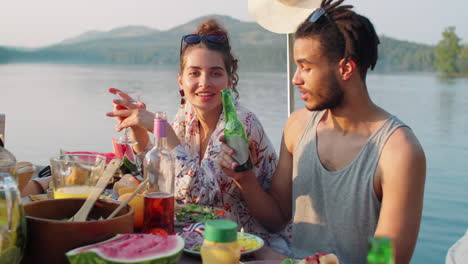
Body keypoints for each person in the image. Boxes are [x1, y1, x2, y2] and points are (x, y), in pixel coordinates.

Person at [219, 0, 426, 263]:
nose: (296, 78)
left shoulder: (399, 152)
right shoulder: (297, 126)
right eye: (296, 66)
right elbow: (276, 219)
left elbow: (386, 260)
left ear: (346, 68)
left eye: (306, 67)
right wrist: (245, 178)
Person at [106, 19, 290, 252]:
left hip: (249, 245)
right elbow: (165, 179)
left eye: (215, 73)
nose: (204, 83)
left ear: (229, 80)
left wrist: (163, 130)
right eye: (194, 73)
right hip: (199, 240)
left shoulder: (240, 124)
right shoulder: (186, 115)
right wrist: (140, 134)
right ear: (181, 81)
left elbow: (201, 197)